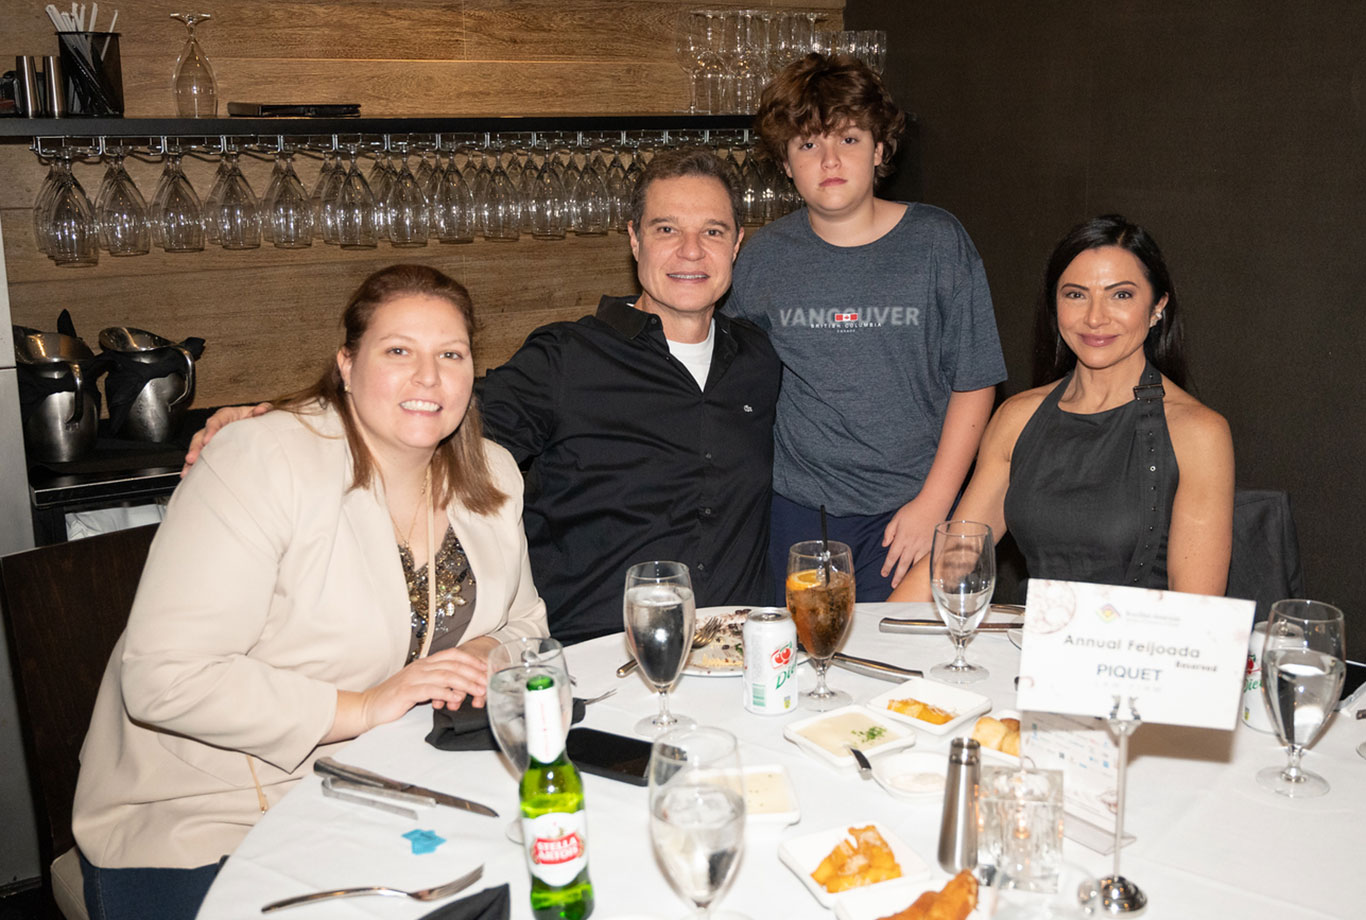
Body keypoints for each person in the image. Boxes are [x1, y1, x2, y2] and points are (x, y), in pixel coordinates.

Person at [74, 265, 547, 919]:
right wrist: (363, 707)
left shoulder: (490, 474)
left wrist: (484, 651)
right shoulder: (263, 460)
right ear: (346, 365)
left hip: (391, 788)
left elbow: (527, 623)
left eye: (451, 355)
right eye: (398, 351)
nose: (428, 378)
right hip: (211, 816)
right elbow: (164, 678)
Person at [184, 149, 781, 645]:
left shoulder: (760, 358)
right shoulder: (568, 359)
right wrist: (279, 424)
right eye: (666, 229)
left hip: (736, 652)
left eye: (712, 232)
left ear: (737, 245)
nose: (690, 251)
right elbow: (423, 413)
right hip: (597, 656)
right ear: (633, 240)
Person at [724, 53, 1006, 603]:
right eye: (808, 144)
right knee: (804, 654)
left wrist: (933, 504)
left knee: (904, 655)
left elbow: (974, 382)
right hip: (797, 513)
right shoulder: (762, 259)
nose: (829, 159)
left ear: (880, 150)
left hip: (913, 511)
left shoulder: (937, 242)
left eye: (849, 139)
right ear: (785, 163)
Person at [889, 215, 1235, 601]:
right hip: (1030, 636)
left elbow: (1198, 615)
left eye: (1121, 295)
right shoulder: (1017, 417)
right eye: (1076, 295)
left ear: (1158, 307)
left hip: (1140, 641)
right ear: (1055, 306)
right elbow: (952, 563)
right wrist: (868, 631)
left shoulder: (1197, 432)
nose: (1095, 317)